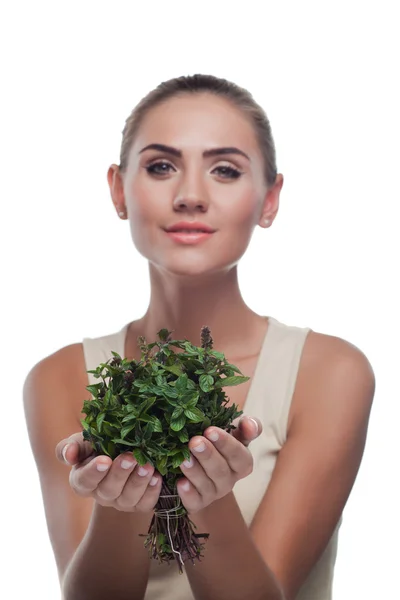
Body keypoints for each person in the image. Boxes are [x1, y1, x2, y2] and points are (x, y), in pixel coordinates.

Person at [23, 73, 375, 600]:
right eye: (162, 166)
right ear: (119, 190)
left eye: (226, 170)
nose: (190, 195)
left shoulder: (330, 372)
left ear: (270, 198)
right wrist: (121, 505)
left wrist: (208, 497)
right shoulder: (60, 376)